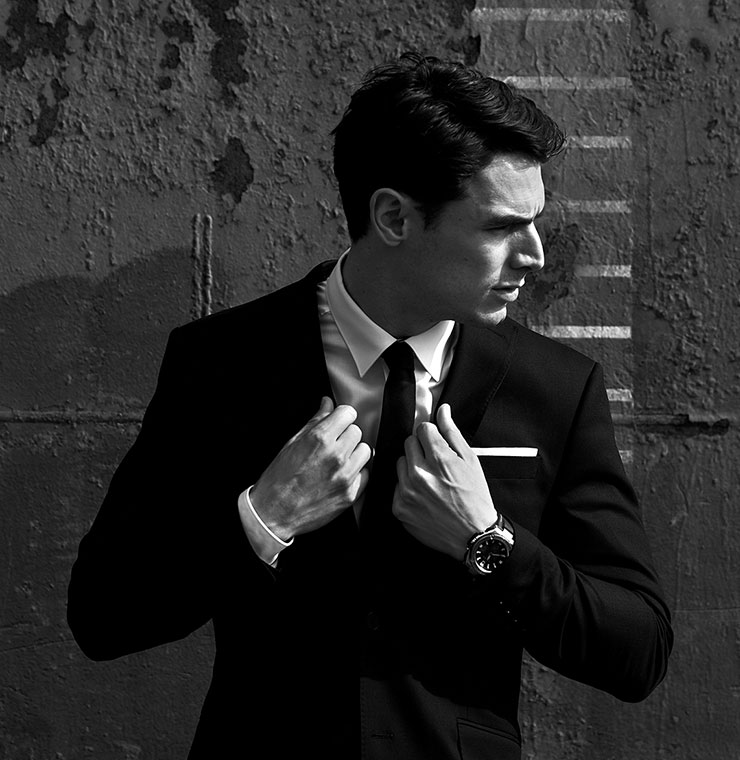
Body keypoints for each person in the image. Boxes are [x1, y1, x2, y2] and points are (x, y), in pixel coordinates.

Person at [68, 52, 672, 759]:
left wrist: (489, 541)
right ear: (393, 217)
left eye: (535, 222)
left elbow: (639, 650)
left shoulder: (556, 388)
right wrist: (263, 518)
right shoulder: (222, 363)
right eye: (500, 227)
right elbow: (103, 616)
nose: (534, 254)